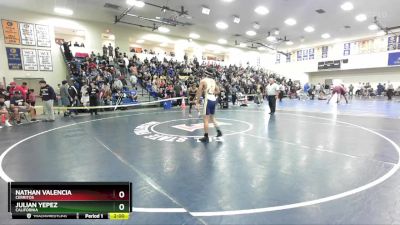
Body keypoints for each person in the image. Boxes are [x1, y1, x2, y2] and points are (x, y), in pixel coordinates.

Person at [196, 69, 223, 142]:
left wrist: (197, 101)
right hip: (213, 99)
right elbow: (218, 91)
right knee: (212, 118)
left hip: (207, 100)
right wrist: (212, 92)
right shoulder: (213, 81)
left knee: (205, 119)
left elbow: (199, 91)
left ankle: (206, 136)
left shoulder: (203, 81)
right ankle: (219, 131)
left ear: (205, 73)